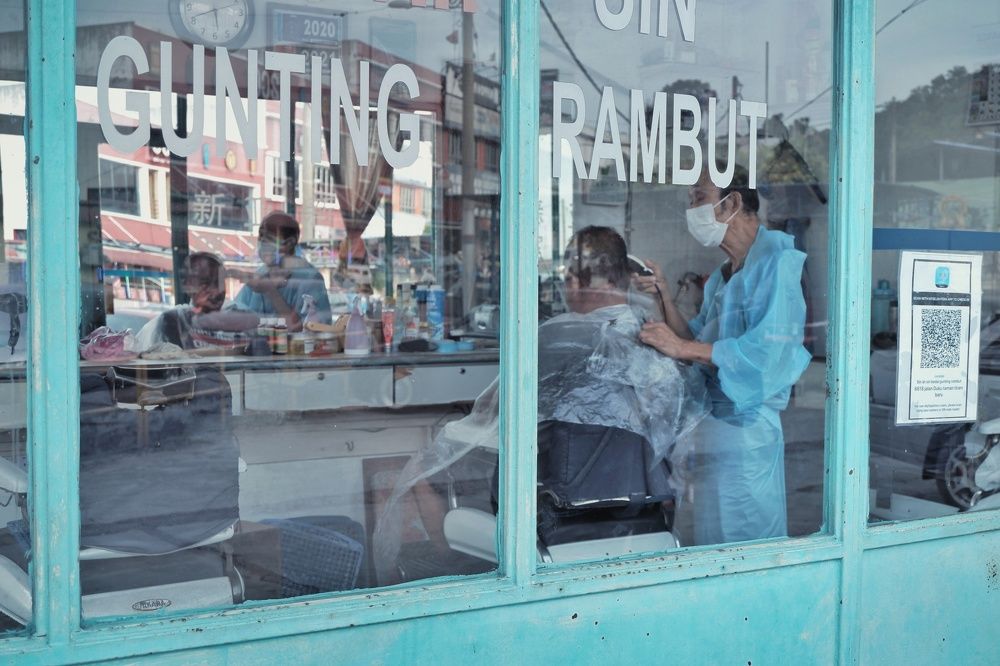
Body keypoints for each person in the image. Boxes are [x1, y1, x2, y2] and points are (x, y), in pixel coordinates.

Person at [373, 226, 708, 583]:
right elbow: (675, 428)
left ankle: (439, 574)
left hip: (556, 524)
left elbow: (504, 416)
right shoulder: (661, 339)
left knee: (423, 467)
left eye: (568, 277)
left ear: (579, 282)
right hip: (644, 520)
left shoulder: (554, 337)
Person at [635, 163, 811, 546]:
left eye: (699, 198)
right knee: (711, 539)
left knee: (746, 542)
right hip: (713, 430)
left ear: (731, 203)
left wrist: (683, 347)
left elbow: (767, 354)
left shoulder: (777, 264)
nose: (692, 210)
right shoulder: (724, 275)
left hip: (748, 433)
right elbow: (695, 340)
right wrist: (663, 295)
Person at [229, 212, 332, 330]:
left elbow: (313, 330)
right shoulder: (260, 274)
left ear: (289, 243)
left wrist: (270, 291)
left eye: (268, 237)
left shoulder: (309, 278)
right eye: (260, 235)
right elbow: (236, 314)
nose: (262, 241)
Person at [136, 252, 258, 351]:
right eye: (205, 284)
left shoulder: (240, 320)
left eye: (219, 283)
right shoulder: (173, 322)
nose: (216, 292)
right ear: (187, 286)